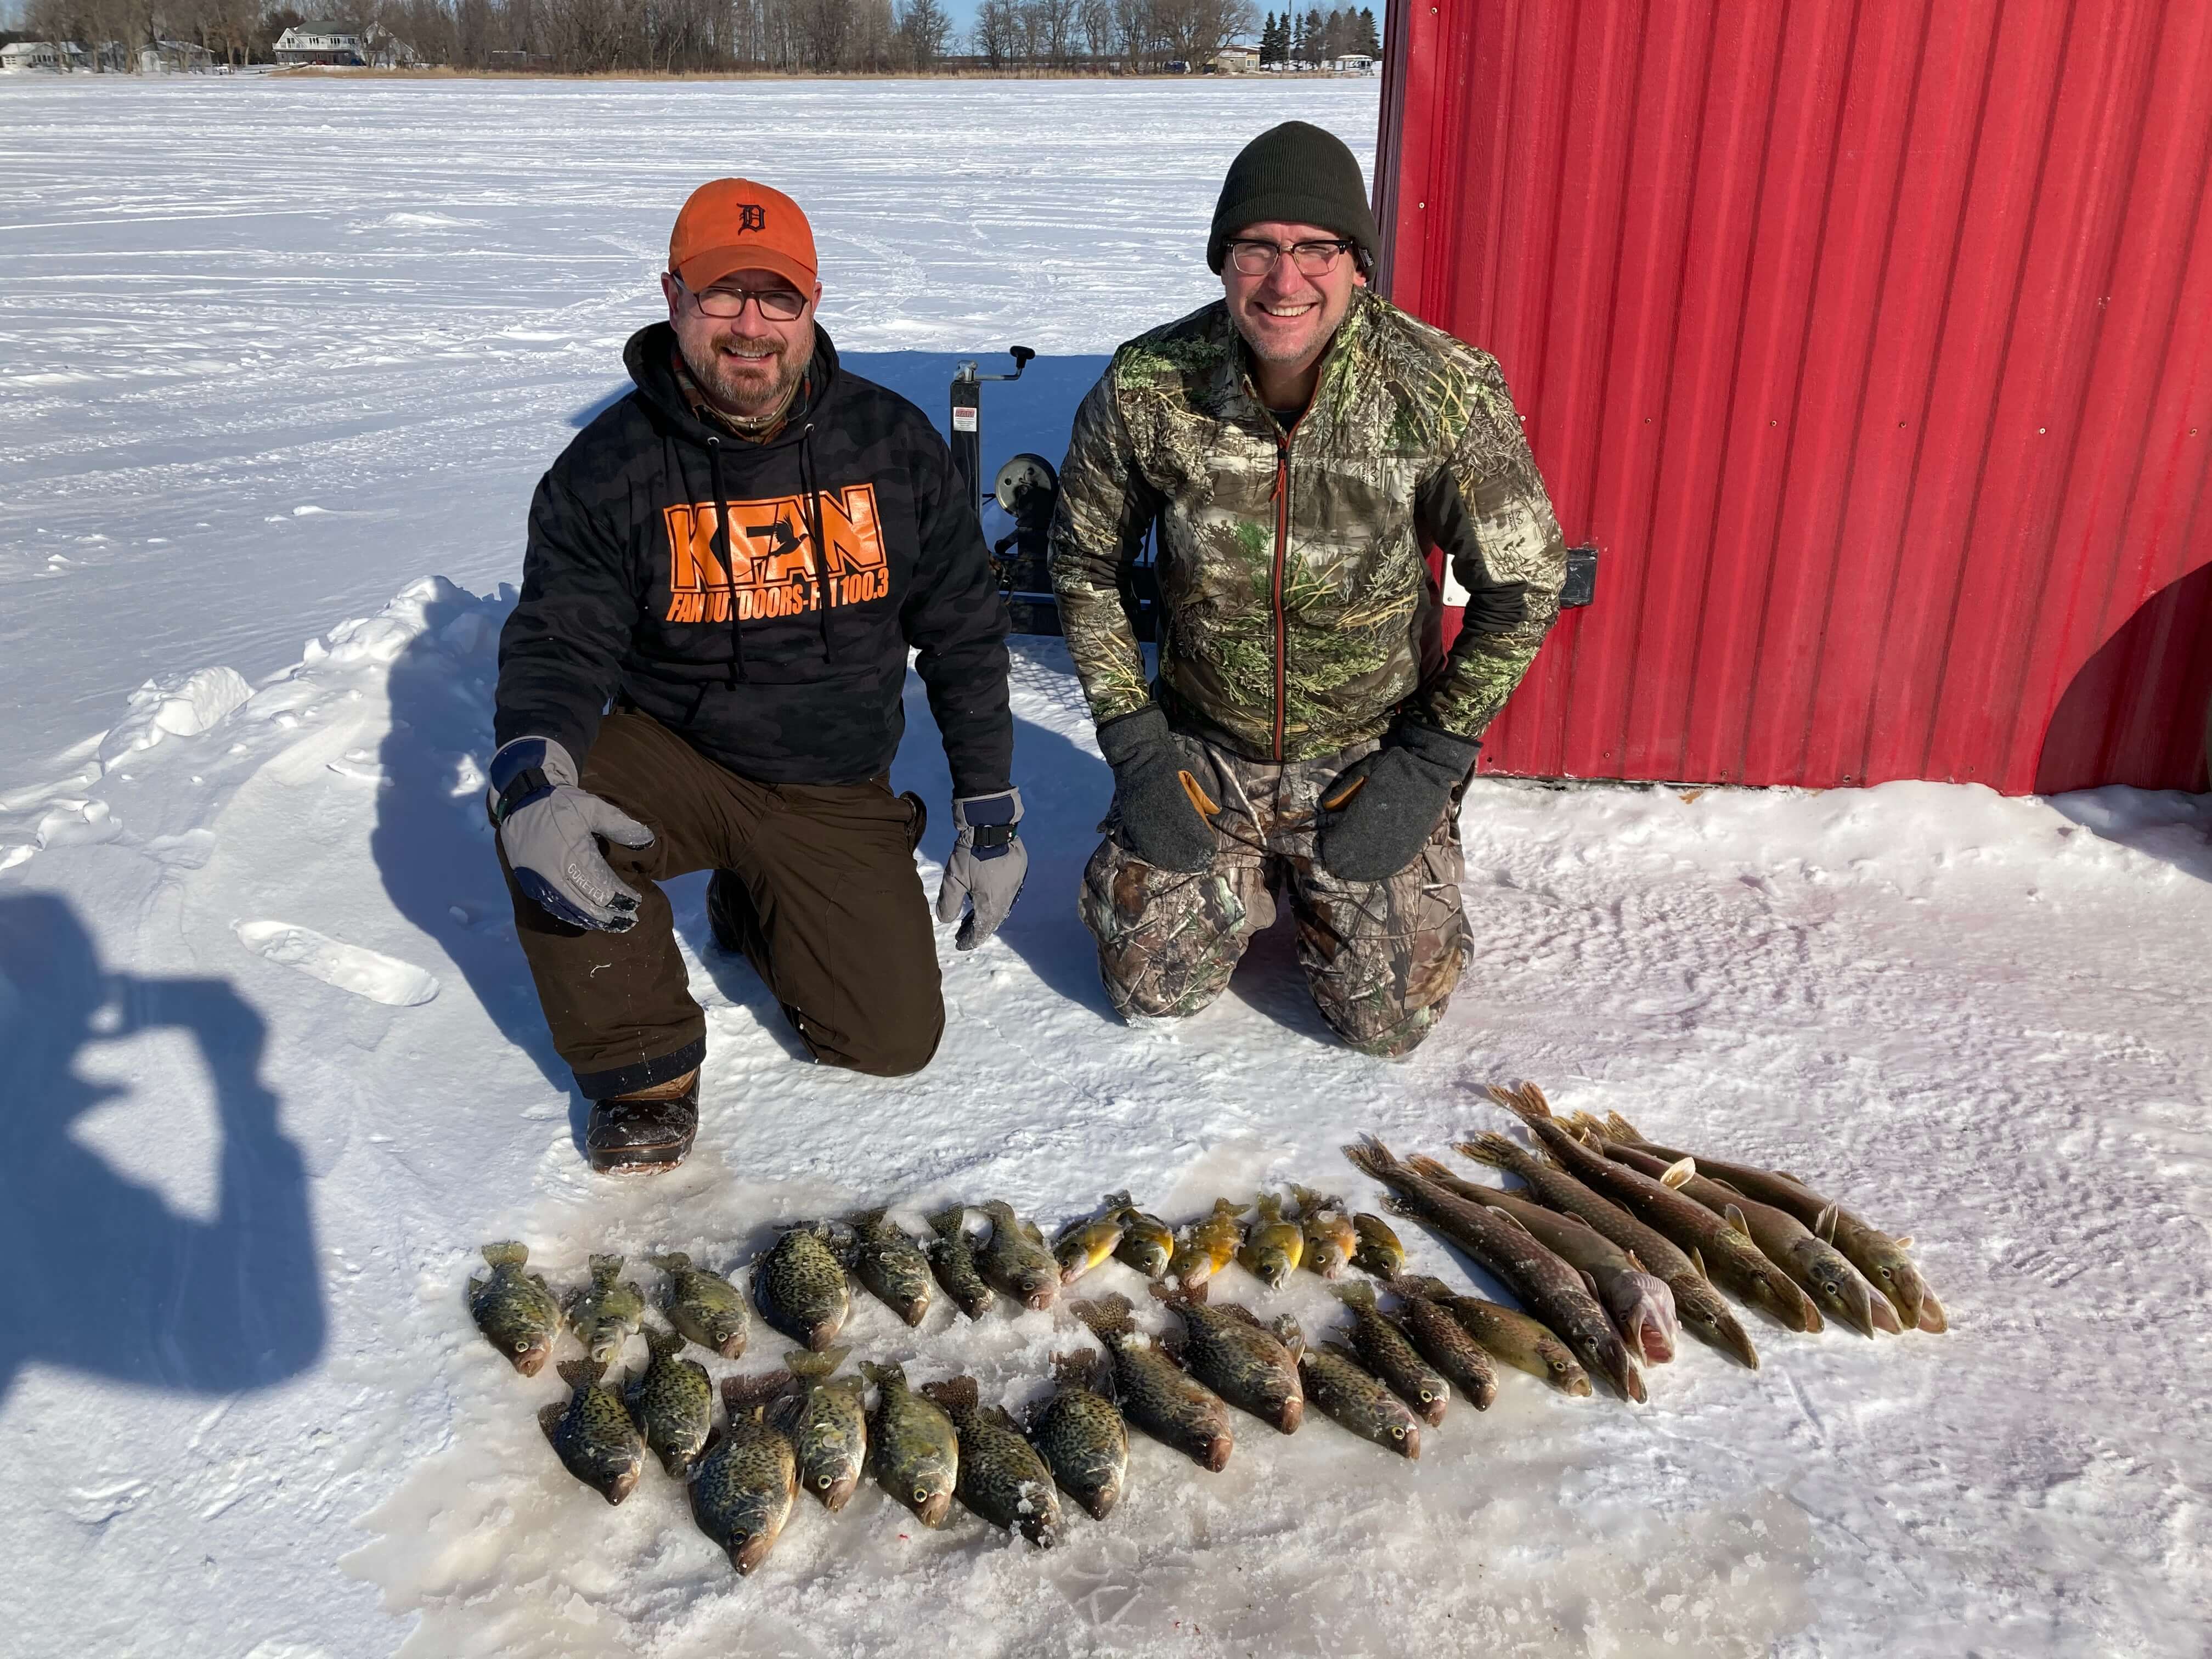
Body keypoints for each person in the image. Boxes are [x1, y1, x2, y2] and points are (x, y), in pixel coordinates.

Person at [489, 178, 1023, 1173]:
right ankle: (642, 1070)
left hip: (829, 779)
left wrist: (990, 808)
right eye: (720, 294)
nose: (750, 326)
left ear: (813, 305)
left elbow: (964, 632)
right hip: (675, 757)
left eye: (777, 297)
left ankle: (758, 899)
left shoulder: (894, 448)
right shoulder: (609, 468)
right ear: (673, 298)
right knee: (545, 807)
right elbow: (561, 637)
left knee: (892, 1042)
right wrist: (531, 770)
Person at [1047, 121, 1566, 1059]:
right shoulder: (1150, 385)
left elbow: (1524, 585)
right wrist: (1135, 746)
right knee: (1150, 986)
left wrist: (1427, 764)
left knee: (1388, 1021)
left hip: (1366, 755)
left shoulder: (1441, 389)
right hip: (1206, 750)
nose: (1285, 282)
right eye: (1257, 249)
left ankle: (1335, 878)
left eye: (1316, 249)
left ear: (1356, 264)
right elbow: (1084, 564)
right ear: (1222, 263)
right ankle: (1246, 874)